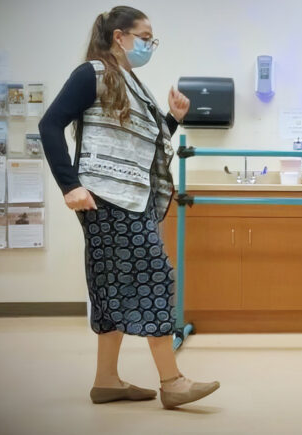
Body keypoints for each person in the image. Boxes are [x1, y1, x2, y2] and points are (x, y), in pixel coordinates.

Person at [39, 6, 219, 410]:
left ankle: (106, 381)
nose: (149, 45)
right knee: (156, 278)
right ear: (119, 37)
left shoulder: (129, 81)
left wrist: (172, 119)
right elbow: (49, 125)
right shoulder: (92, 74)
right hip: (108, 199)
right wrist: (70, 186)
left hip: (128, 199)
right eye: (144, 37)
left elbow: (141, 147)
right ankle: (172, 382)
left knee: (112, 290)